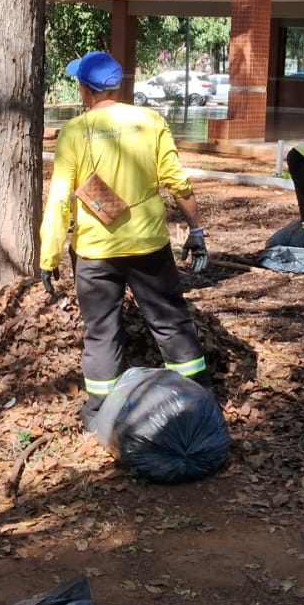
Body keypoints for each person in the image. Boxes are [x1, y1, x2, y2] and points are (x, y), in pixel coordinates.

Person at [38, 51, 211, 426]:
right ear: (117, 86)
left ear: (85, 89)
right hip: (149, 244)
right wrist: (196, 230)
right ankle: (198, 401)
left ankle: (101, 412)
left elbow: (59, 200)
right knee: (171, 323)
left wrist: (48, 256)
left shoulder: (74, 131)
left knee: (101, 332)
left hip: (95, 252)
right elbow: (177, 182)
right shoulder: (150, 121)